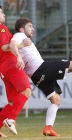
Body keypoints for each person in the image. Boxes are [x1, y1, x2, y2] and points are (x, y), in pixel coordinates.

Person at [9, 18, 72, 137]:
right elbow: (12, 44)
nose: (33, 28)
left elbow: (14, 45)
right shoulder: (19, 35)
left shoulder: (23, 40)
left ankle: (48, 128)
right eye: (30, 26)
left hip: (35, 77)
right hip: (41, 69)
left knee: (56, 100)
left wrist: (20, 51)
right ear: (21, 29)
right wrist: (19, 57)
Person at [0, 6, 32, 137]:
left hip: (3, 68)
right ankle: (11, 120)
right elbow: (5, 47)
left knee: (13, 102)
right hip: (10, 64)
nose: (4, 14)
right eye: (1, 12)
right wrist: (22, 45)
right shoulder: (2, 28)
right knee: (26, 91)